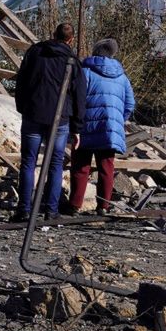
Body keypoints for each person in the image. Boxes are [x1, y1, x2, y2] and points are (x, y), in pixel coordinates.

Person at [10, 23, 85, 222]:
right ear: (71, 39)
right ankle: (51, 211)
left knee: (28, 162)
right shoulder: (72, 61)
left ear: (53, 34)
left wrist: (22, 107)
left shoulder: (35, 53)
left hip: (33, 114)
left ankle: (24, 209)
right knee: (56, 164)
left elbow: (21, 82)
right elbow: (79, 95)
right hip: (60, 119)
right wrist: (77, 128)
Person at [66, 39, 136, 215]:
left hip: (86, 127)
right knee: (107, 168)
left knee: (81, 166)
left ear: (95, 52)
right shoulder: (122, 77)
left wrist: (74, 123)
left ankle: (74, 205)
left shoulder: (86, 72)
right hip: (109, 129)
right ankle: (103, 206)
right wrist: (117, 121)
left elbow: (77, 99)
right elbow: (130, 104)